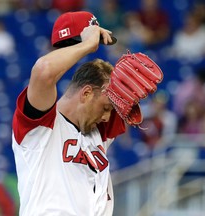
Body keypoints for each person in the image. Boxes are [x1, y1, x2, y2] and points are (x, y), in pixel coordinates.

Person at [11, 11, 126, 216]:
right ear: (87, 92)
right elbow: (44, 70)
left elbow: (123, 94)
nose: (108, 117)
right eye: (106, 108)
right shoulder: (41, 126)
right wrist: (87, 45)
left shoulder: (97, 131)